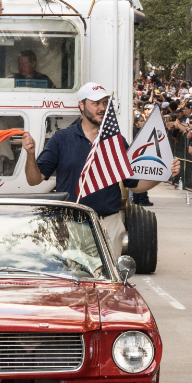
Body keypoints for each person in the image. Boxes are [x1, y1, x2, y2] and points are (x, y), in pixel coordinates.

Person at [21, 81, 155, 257]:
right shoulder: (62, 139)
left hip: (108, 225)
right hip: (71, 224)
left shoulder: (117, 142)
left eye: (105, 103)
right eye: (96, 103)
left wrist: (162, 175)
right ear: (81, 105)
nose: (102, 108)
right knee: (75, 280)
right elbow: (34, 179)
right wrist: (30, 154)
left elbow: (135, 185)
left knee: (106, 283)